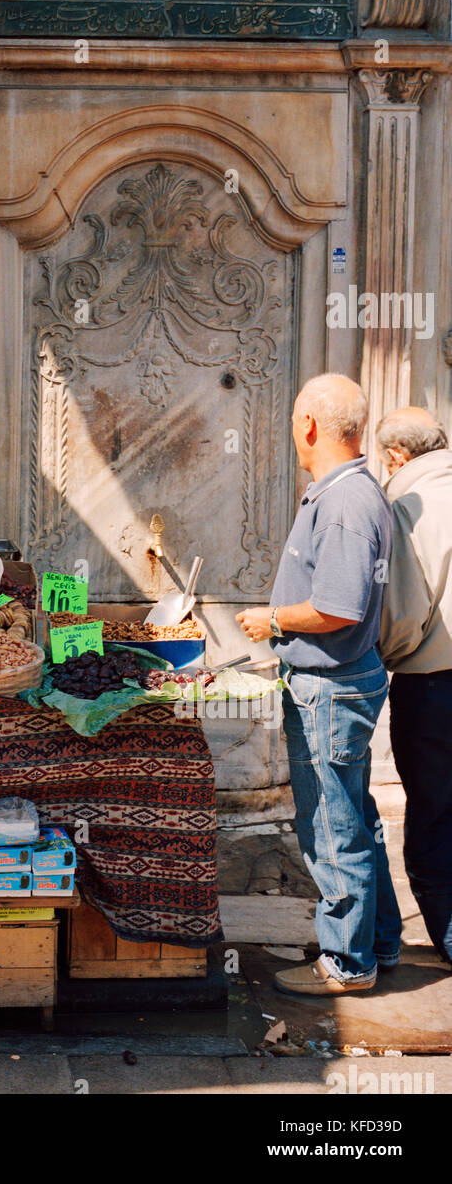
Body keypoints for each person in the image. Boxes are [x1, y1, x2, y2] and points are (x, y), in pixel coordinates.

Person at [236, 373, 401, 994]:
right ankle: (375, 945)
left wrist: (270, 618)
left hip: (331, 688)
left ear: (309, 426)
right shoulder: (346, 493)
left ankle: (347, 964)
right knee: (355, 820)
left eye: (293, 423)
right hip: (338, 683)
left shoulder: (344, 502)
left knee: (333, 828)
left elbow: (337, 607)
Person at [377, 407, 452, 971]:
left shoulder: (408, 505)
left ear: (397, 456)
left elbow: (403, 612)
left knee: (433, 811)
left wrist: (382, 658)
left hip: (433, 685)